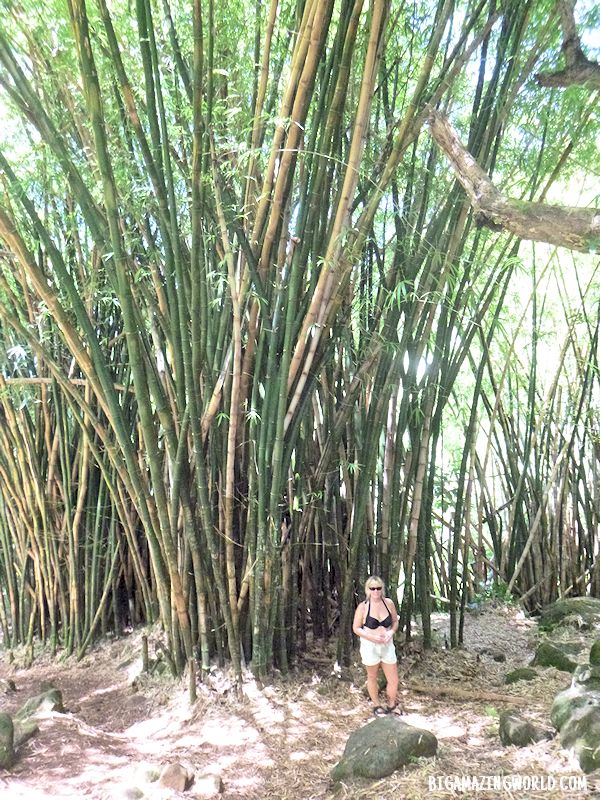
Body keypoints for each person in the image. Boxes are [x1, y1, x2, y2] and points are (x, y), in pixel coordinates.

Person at [352, 575, 401, 716]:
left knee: (393, 679)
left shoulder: (389, 603)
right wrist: (372, 637)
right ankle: (377, 705)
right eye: (372, 588)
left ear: (382, 589)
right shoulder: (363, 607)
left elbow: (395, 621)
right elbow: (356, 628)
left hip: (387, 645)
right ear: (368, 590)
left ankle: (391, 705)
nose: (375, 591)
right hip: (370, 646)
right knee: (372, 676)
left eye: (378, 588)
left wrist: (390, 632)